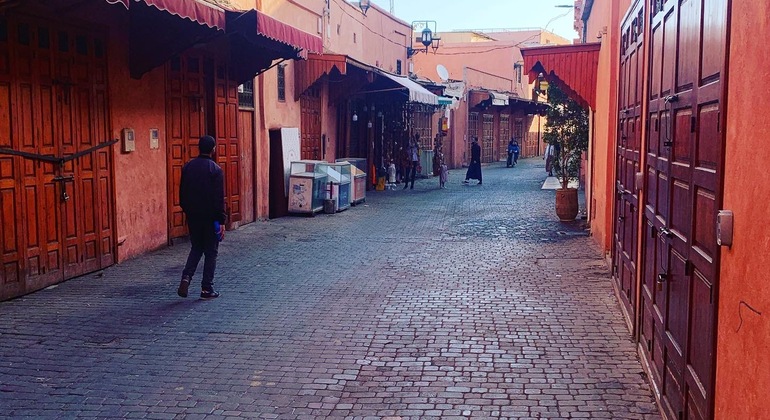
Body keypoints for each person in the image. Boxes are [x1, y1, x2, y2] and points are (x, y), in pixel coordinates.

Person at [177, 135, 225, 300]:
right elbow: (218, 199)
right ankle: (206, 288)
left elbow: (182, 195)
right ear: (213, 149)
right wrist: (221, 221)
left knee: (196, 248)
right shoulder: (216, 170)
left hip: (194, 216)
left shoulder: (188, 167)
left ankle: (186, 277)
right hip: (211, 218)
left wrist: (189, 211)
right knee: (211, 252)